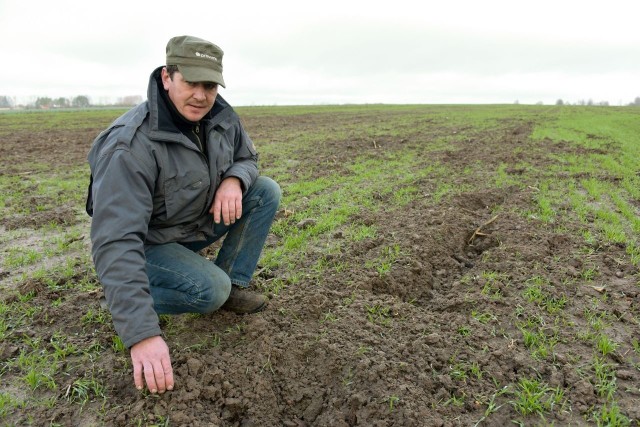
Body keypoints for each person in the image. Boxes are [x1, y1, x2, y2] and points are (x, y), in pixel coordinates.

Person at [86, 35, 281, 394]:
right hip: (148, 244)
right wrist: (141, 333)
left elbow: (247, 157)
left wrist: (234, 181)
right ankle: (123, 301)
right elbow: (115, 240)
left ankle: (234, 287)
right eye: (191, 82)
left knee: (264, 191)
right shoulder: (129, 146)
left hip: (191, 224)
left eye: (209, 85)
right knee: (209, 291)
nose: (201, 95)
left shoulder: (221, 116)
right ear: (166, 77)